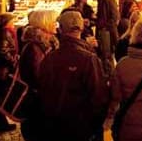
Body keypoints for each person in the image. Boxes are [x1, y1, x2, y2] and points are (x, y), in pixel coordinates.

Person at [39, 10, 109, 141]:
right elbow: (99, 96)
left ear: (60, 30)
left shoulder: (49, 58)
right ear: (81, 28)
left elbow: (43, 91)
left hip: (55, 126)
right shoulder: (89, 59)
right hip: (82, 127)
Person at [19, 10, 60, 141]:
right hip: (37, 104)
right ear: (45, 24)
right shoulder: (34, 47)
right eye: (54, 21)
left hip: (45, 100)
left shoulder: (49, 43)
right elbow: (38, 76)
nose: (57, 24)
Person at [0, 13, 18, 133]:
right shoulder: (5, 33)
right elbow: (3, 51)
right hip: (1, 70)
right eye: (12, 21)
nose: (14, 23)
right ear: (6, 22)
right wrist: (13, 60)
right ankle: (0, 124)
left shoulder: (0, 32)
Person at [95, 0, 119, 75]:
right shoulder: (101, 1)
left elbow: (114, 17)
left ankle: (110, 75)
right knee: (104, 55)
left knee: (107, 55)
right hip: (103, 30)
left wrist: (105, 26)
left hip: (106, 32)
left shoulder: (109, 1)